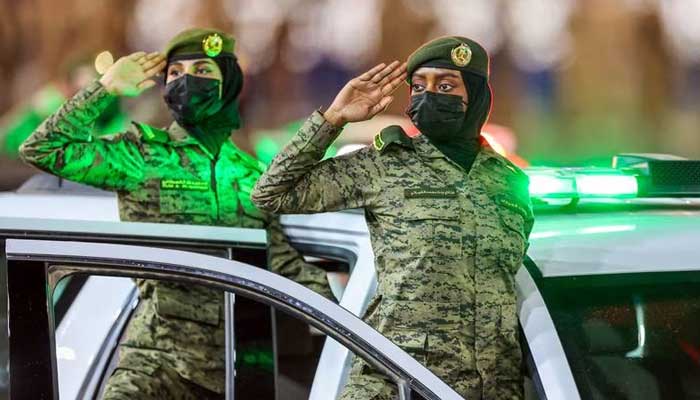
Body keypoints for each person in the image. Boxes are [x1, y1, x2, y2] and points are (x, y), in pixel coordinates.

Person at [20, 28, 333, 400]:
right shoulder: (143, 156)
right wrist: (105, 89)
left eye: (203, 71)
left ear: (228, 86)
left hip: (236, 376)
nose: (186, 80)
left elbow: (282, 265)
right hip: (155, 368)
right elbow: (41, 149)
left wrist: (358, 326)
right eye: (174, 73)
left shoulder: (251, 176)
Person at [252, 36, 534, 399]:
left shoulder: (510, 181)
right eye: (418, 87)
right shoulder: (384, 165)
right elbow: (271, 193)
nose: (428, 95)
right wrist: (332, 119)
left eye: (445, 86)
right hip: (398, 383)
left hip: (491, 387)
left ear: (476, 95)